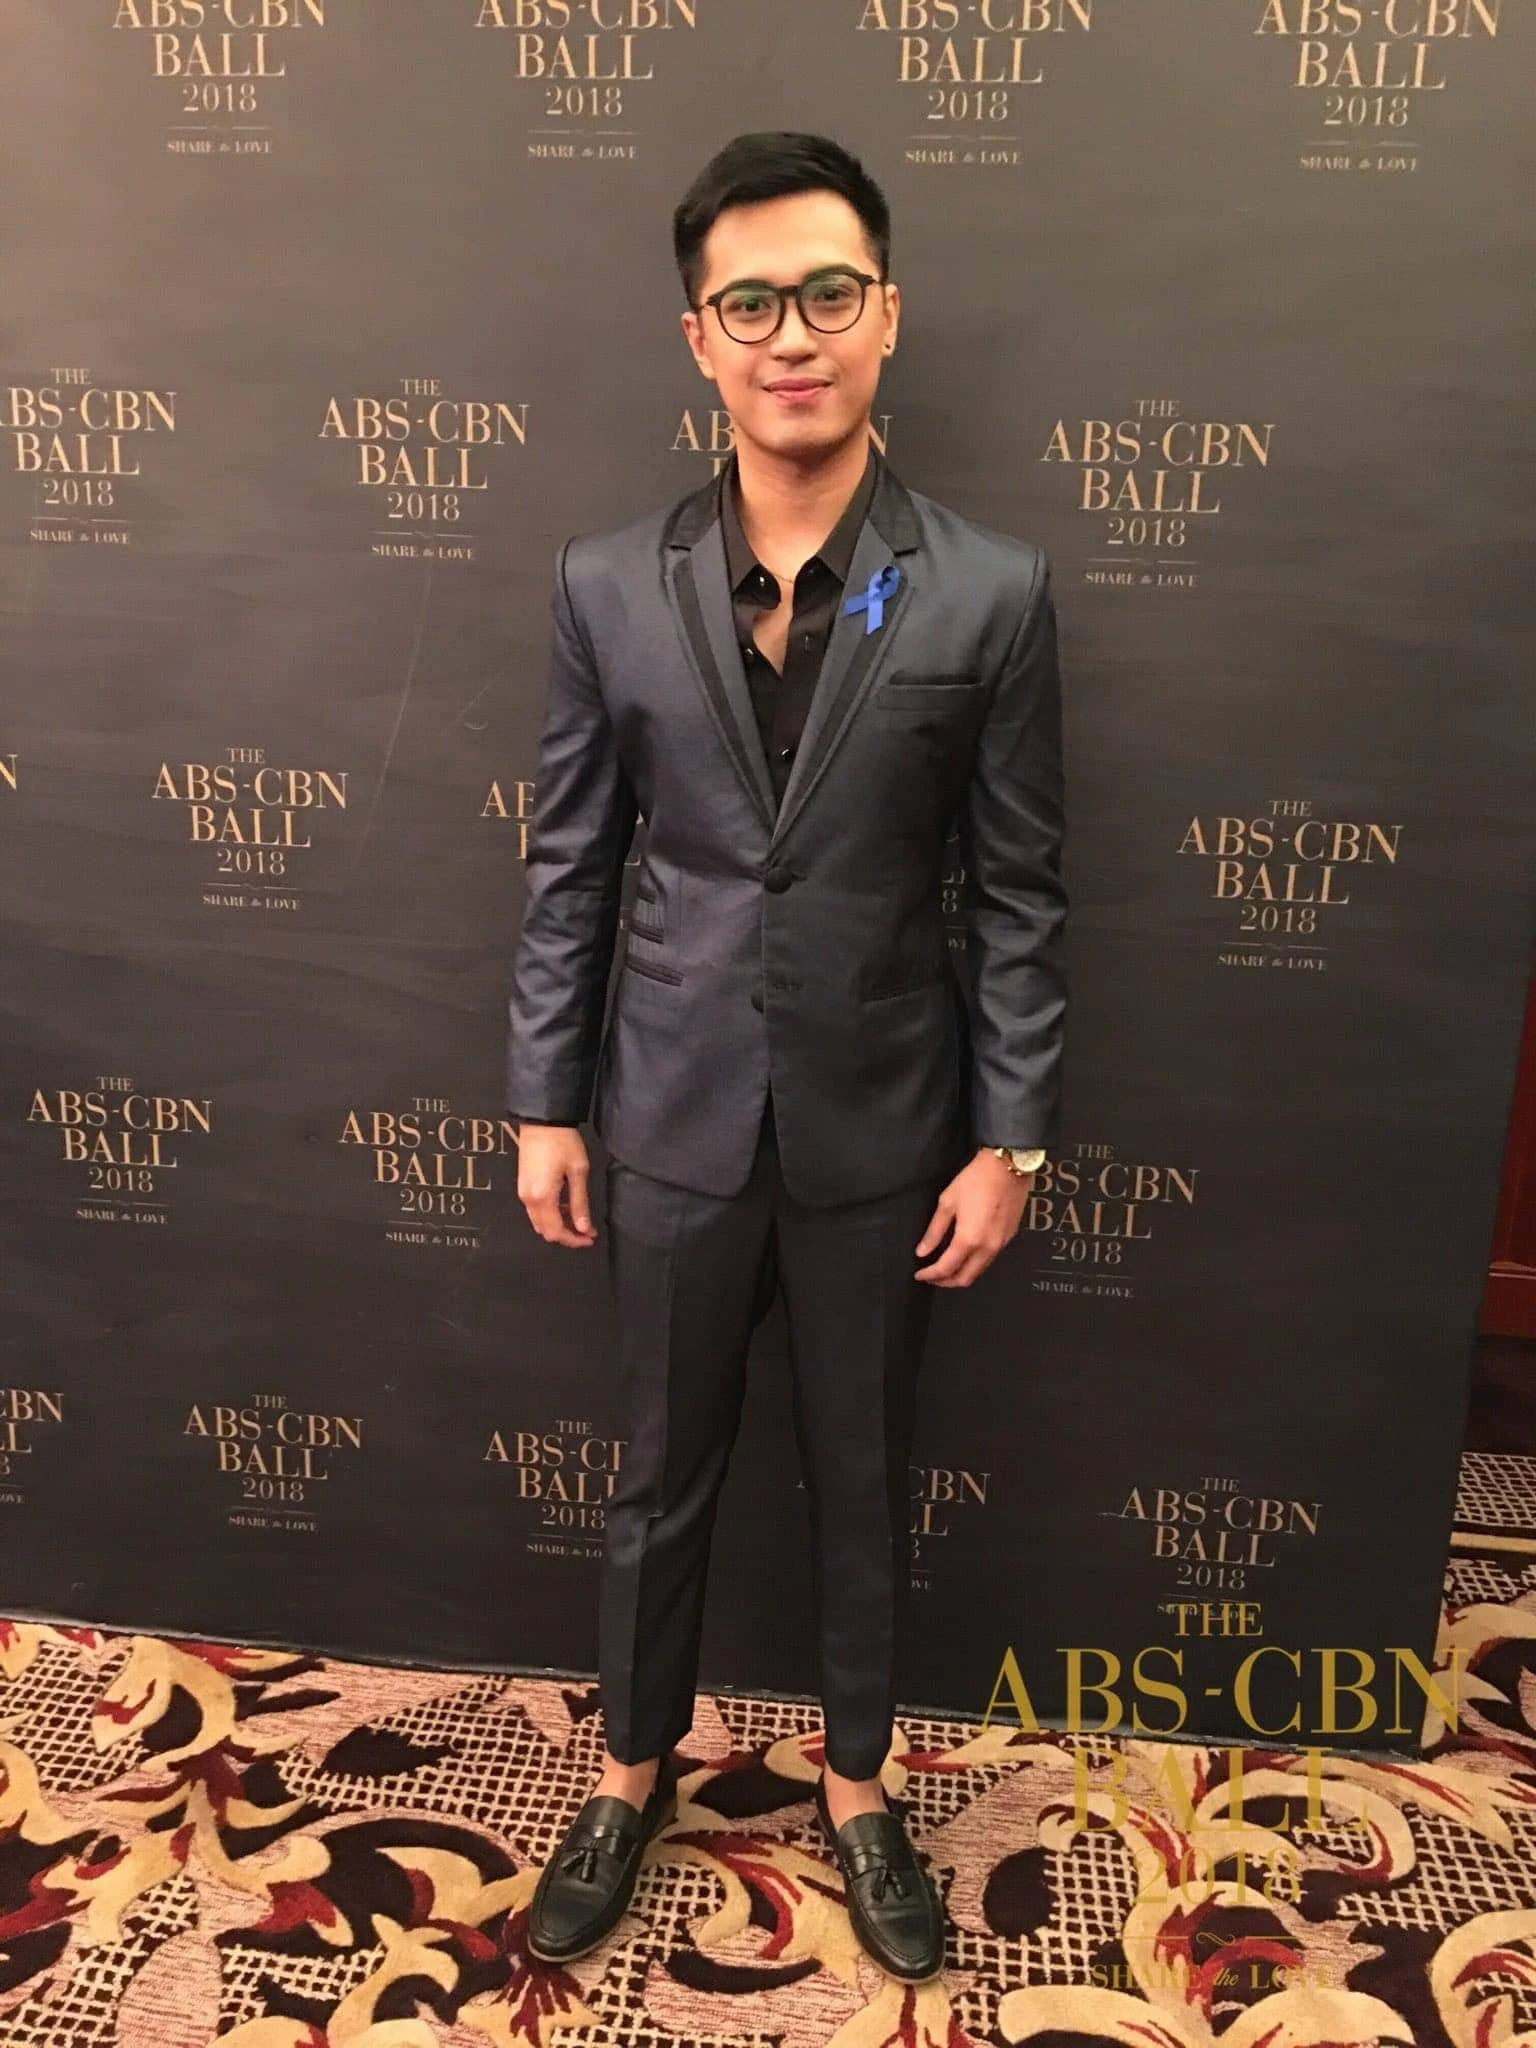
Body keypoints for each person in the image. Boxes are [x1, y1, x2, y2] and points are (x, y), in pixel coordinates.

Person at [506, 130, 1068, 1984]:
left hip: (886, 1130)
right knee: (656, 1475)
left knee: (864, 1470)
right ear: (700, 338)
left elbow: (1021, 888)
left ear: (886, 315)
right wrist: (544, 1101)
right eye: (749, 303)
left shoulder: (989, 591)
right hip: (666, 1113)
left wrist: (1011, 1138)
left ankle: (859, 1783)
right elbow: (574, 863)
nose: (792, 335)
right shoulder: (607, 580)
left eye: (829, 293)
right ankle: (626, 1773)